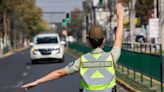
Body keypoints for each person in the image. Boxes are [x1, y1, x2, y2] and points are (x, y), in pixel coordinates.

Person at [22, 3, 124, 92]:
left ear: (88, 41)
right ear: (104, 40)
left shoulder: (82, 61)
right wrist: (120, 17)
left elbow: (59, 73)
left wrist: (37, 81)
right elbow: (118, 39)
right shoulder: (111, 57)